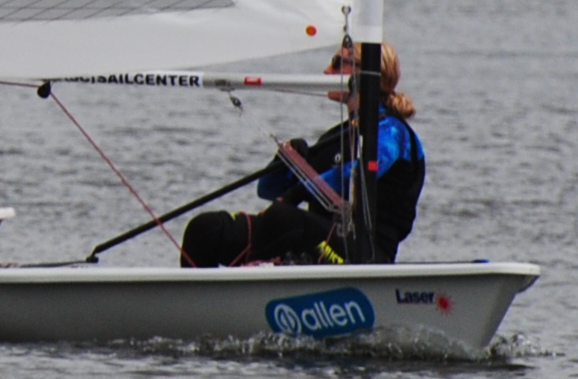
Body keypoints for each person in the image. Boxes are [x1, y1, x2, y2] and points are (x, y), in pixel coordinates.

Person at [181, 42, 424, 267]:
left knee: (285, 219)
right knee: (206, 229)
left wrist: (297, 194)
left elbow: (355, 175)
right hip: (313, 240)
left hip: (365, 255)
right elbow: (267, 191)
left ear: (364, 74)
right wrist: (283, 163)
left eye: (337, 63)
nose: (327, 71)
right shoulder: (337, 136)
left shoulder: (394, 133)